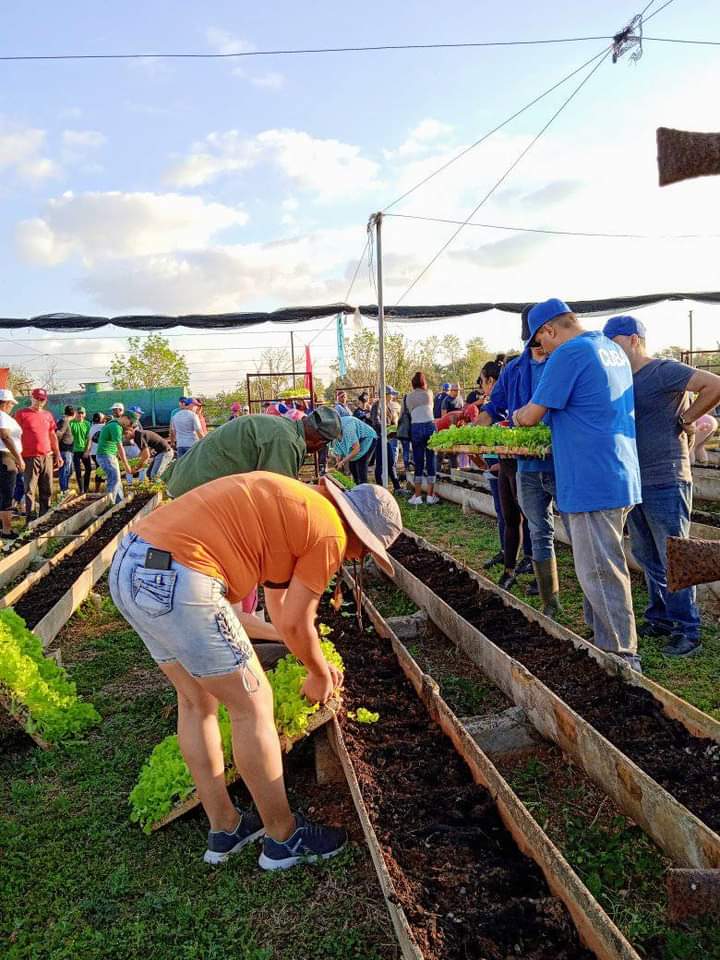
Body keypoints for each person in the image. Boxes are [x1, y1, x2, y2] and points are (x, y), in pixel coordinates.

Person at [109, 470, 402, 869]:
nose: (357, 558)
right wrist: (318, 673)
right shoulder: (331, 532)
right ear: (359, 535)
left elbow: (281, 612)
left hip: (131, 565)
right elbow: (297, 622)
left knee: (197, 700)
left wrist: (307, 656)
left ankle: (225, 828)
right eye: (365, 550)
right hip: (182, 575)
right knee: (253, 703)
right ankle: (283, 837)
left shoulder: (299, 504)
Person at [514, 299, 642, 670]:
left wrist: (519, 414)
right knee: (604, 561)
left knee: (600, 570)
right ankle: (602, 638)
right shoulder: (610, 349)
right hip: (618, 471)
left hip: (590, 477)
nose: (542, 350)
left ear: (550, 330)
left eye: (540, 342)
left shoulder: (568, 355)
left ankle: (621, 656)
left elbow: (531, 415)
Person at [605, 314, 720, 657]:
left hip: (666, 476)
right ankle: (662, 617)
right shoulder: (621, 378)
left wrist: (685, 420)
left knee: (675, 554)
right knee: (646, 554)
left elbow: (714, 384)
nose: (611, 349)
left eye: (616, 342)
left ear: (634, 340)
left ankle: (688, 629)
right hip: (635, 479)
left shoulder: (663, 370)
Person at [166, 407, 342, 500]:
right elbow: (278, 495)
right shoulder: (285, 441)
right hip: (192, 494)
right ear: (319, 441)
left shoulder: (283, 428)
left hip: (183, 480)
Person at [477, 356, 537, 594]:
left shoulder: (537, 378)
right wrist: (473, 430)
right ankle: (509, 571)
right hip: (508, 459)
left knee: (537, 522)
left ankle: (539, 573)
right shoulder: (509, 382)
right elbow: (492, 409)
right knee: (510, 517)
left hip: (530, 461)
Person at [15, 388, 62, 521]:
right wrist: (17, 457)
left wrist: (58, 454)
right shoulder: (21, 414)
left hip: (46, 456)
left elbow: (52, 435)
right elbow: (15, 436)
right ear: (32, 398)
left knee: (46, 488)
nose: (39, 401)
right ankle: (30, 518)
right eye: (37, 398)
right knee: (29, 489)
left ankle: (44, 517)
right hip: (28, 457)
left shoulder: (48, 415)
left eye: (42, 399)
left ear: (45, 400)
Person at [405, 371, 439, 506]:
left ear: (413, 384)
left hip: (416, 427)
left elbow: (408, 411)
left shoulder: (408, 397)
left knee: (418, 462)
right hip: (430, 426)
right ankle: (430, 495)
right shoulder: (429, 393)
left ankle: (418, 496)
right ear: (424, 382)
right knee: (431, 460)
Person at [95, 410, 133, 503]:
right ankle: (110, 504)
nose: (130, 425)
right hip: (105, 455)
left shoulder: (116, 425)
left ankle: (119, 503)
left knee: (117, 480)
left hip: (109, 455)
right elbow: (120, 447)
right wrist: (126, 465)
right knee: (114, 479)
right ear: (126, 418)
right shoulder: (115, 426)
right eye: (130, 423)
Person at [330, 413, 377, 485]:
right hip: (357, 441)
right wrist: (338, 460)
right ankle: (356, 487)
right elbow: (338, 449)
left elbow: (356, 449)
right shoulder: (332, 433)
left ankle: (363, 487)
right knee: (352, 466)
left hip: (367, 438)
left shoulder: (348, 430)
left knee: (360, 465)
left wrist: (343, 462)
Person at [371, 386, 402, 493]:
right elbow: (376, 421)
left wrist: (395, 427)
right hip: (380, 438)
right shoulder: (377, 405)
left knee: (391, 462)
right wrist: (386, 429)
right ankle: (380, 488)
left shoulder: (387, 405)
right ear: (385, 394)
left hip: (387, 438)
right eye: (391, 394)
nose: (392, 396)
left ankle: (397, 487)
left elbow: (392, 420)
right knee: (379, 463)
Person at [0, 390, 24, 515]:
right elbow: (5, 436)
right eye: (11, 404)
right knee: (7, 492)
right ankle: (6, 529)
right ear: (6, 403)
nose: (12, 407)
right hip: (5, 457)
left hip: (6, 456)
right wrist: (18, 458)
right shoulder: (2, 416)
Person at [70, 407, 92, 494]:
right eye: (79, 413)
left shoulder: (87, 424)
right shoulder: (71, 423)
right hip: (74, 451)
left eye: (82, 413)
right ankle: (81, 490)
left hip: (84, 450)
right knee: (78, 471)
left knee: (89, 469)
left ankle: (86, 488)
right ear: (76, 413)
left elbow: (89, 438)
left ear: (85, 414)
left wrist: (87, 451)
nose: (80, 415)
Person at [55, 405, 76, 495]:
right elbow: (58, 434)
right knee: (65, 470)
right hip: (65, 449)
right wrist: (57, 447)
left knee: (69, 470)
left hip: (69, 450)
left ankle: (65, 488)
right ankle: (64, 490)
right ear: (74, 414)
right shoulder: (64, 421)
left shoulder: (65, 420)